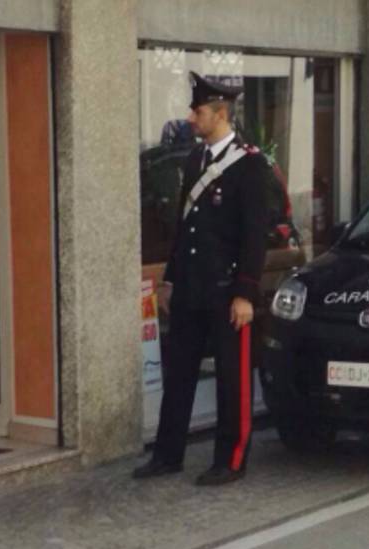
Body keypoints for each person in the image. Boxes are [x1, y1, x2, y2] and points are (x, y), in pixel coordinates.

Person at [133, 73, 270, 486]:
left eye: (199, 111)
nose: (192, 118)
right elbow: (184, 226)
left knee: (231, 378)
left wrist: (245, 292)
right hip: (192, 287)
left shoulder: (250, 164)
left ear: (221, 114)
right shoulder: (195, 160)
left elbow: (254, 234)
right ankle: (167, 454)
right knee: (180, 374)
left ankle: (230, 459)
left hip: (228, 290)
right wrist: (171, 280)